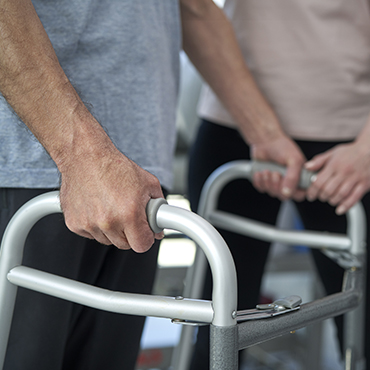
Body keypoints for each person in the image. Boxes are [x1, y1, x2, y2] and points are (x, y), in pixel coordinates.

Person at [0, 0, 274, 369]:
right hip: (38, 166)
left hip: (139, 182)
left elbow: (194, 9)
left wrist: (266, 135)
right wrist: (83, 157)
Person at [188, 0, 370, 369]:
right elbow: (192, 8)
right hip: (236, 122)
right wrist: (261, 129)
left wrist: (367, 148)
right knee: (214, 336)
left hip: (352, 140)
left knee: (362, 333)